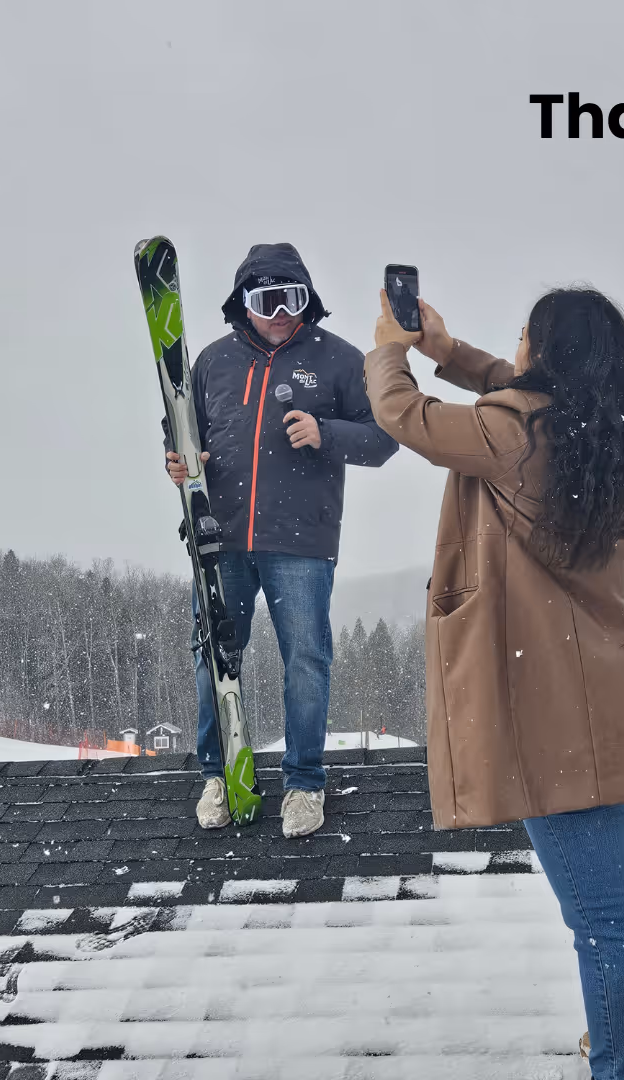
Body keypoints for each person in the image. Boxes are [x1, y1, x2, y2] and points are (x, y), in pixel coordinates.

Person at [364, 287, 624, 1080]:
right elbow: (519, 400)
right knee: (612, 891)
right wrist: (449, 351)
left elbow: (405, 417)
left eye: (524, 339)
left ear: (547, 355)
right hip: (617, 697)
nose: (514, 349)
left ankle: (622, 1067)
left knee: (598, 918)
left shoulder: (516, 435)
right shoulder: (610, 433)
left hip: (558, 719)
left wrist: (390, 350)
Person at [166, 243, 397, 838]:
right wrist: (179, 463)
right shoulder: (214, 362)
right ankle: (219, 773)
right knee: (214, 656)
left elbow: (384, 437)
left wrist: (326, 433)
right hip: (220, 536)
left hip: (301, 541)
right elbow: (179, 428)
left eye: (290, 298)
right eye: (264, 299)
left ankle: (304, 783)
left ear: (307, 299)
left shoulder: (340, 361)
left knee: (306, 659)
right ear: (242, 303)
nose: (278, 312)